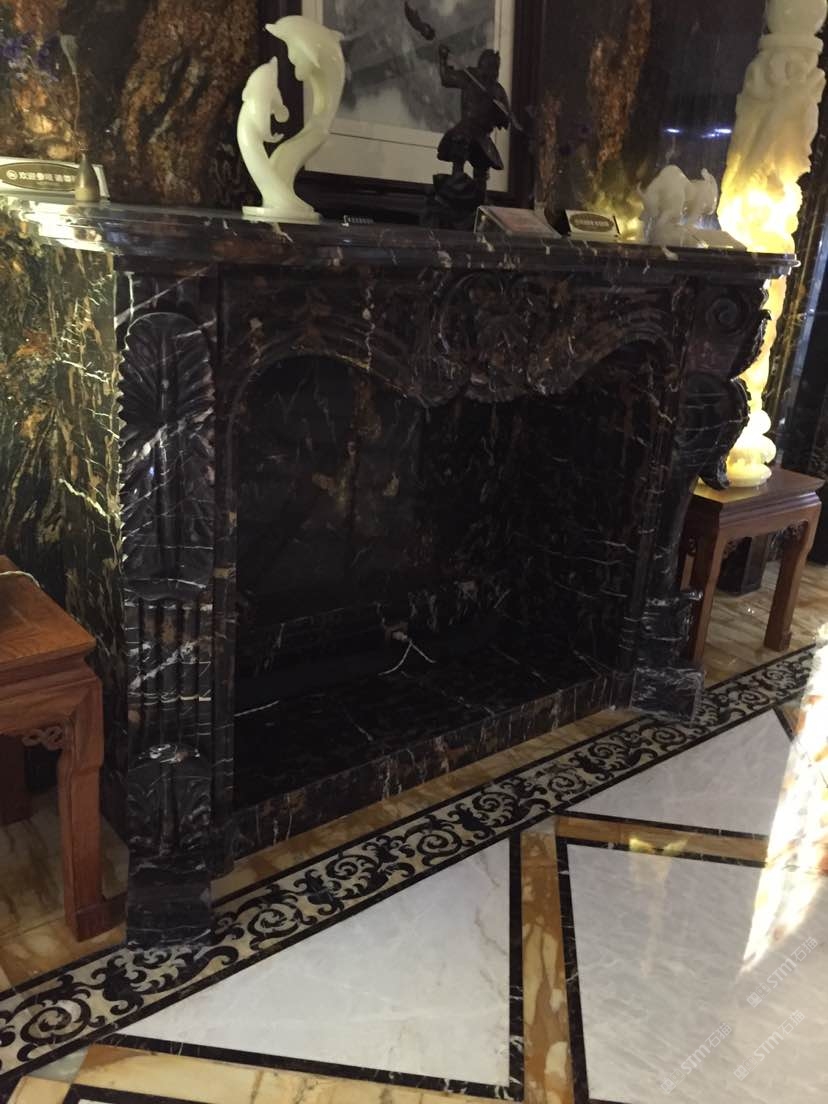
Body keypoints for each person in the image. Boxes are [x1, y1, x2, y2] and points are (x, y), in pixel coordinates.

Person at [436, 46, 510, 188]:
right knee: (459, 153)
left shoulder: (497, 90)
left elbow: (505, 120)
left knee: (482, 166)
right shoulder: (469, 77)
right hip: (465, 128)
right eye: (487, 66)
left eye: (494, 68)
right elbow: (446, 78)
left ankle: (479, 193)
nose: (490, 71)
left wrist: (500, 112)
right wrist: (442, 59)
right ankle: (456, 184)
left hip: (483, 135)